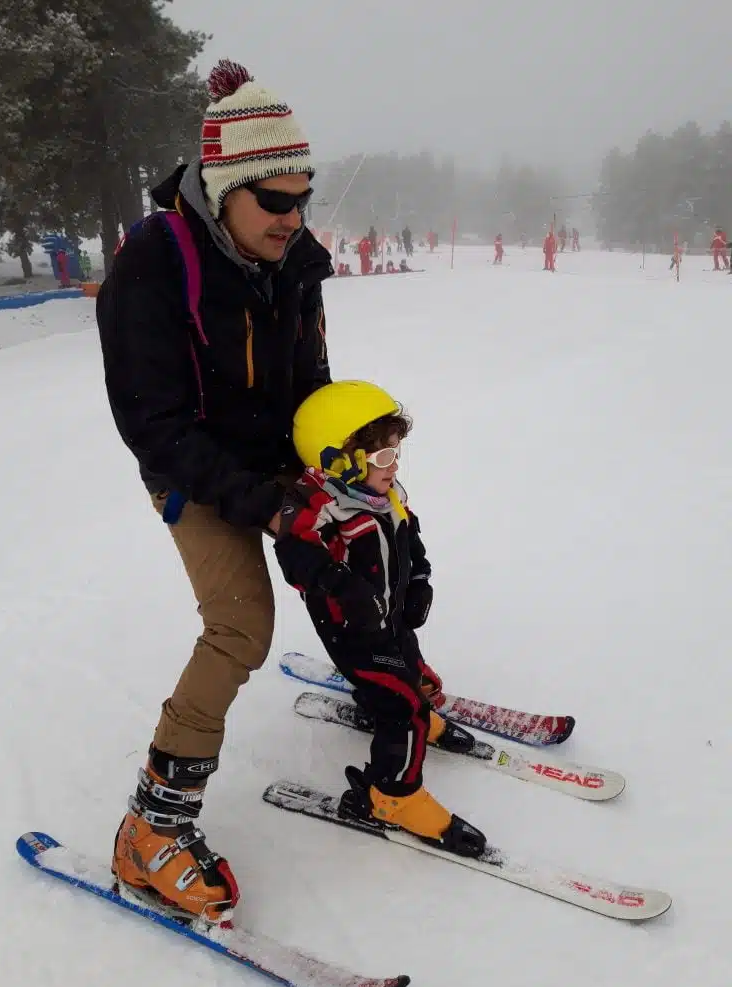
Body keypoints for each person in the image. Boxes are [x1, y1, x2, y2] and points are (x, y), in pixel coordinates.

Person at [95, 59, 333, 922]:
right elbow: (151, 422)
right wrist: (265, 504)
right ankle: (150, 828)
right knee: (241, 625)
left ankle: (392, 694)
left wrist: (335, 464)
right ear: (223, 186)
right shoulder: (154, 263)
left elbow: (312, 372)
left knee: (353, 535)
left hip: (272, 452)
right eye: (274, 199)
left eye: (303, 196)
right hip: (192, 468)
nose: (293, 215)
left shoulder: (294, 257)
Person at [274, 381, 487, 857]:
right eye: (384, 456)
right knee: (402, 708)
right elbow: (294, 554)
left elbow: (411, 540)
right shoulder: (316, 506)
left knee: (411, 669)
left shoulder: (382, 494)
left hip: (389, 619)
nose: (395, 465)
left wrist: (419, 581)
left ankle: (404, 708)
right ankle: (392, 797)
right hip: (352, 632)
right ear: (340, 461)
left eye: (396, 452)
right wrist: (344, 588)